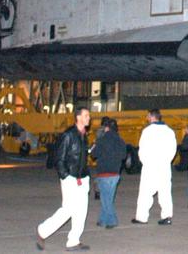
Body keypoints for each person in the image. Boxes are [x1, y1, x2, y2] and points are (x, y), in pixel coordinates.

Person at [36, 108, 91, 252]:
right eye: (86, 115)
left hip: (83, 178)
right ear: (78, 117)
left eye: (88, 115)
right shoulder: (68, 135)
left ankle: (73, 241)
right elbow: (58, 158)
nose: (88, 118)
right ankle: (42, 231)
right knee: (68, 210)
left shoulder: (84, 135)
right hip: (70, 178)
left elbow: (83, 158)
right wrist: (65, 176)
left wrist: (87, 176)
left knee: (81, 211)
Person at [132, 109, 176, 226]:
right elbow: (173, 150)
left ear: (152, 117)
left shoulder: (147, 131)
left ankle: (142, 217)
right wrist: (166, 161)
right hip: (164, 166)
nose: (147, 118)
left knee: (145, 192)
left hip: (150, 166)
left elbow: (142, 149)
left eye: (148, 116)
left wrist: (145, 162)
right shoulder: (169, 131)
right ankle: (167, 216)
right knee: (165, 192)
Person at [90, 117, 127, 229]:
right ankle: (102, 220)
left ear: (106, 128)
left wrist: (95, 144)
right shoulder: (121, 141)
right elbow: (123, 156)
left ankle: (112, 221)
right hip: (115, 173)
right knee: (108, 198)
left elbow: (93, 154)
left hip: (104, 173)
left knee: (105, 199)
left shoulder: (101, 140)